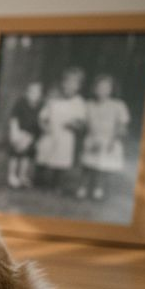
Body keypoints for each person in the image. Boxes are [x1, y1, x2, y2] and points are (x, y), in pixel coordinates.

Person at [36, 66, 87, 195]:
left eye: (74, 83)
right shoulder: (53, 99)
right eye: (67, 82)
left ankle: (56, 185)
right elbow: (43, 116)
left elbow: (81, 122)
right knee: (45, 155)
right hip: (50, 132)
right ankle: (40, 182)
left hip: (66, 135)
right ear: (62, 83)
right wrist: (44, 126)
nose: (69, 85)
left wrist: (73, 124)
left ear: (78, 86)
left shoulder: (78, 102)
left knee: (61, 159)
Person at [79, 73, 130, 200]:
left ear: (111, 89)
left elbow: (122, 125)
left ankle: (98, 189)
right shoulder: (88, 104)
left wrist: (114, 140)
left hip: (109, 139)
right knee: (88, 165)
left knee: (103, 167)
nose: (102, 90)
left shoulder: (118, 105)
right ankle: (82, 188)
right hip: (92, 138)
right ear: (94, 89)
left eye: (106, 87)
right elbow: (83, 122)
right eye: (99, 87)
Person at [6, 81, 43, 189]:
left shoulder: (39, 107)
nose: (34, 94)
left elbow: (39, 121)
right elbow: (14, 119)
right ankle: (12, 176)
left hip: (30, 134)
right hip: (18, 132)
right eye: (31, 91)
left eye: (37, 92)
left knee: (26, 156)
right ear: (27, 92)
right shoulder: (20, 103)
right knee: (15, 154)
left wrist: (33, 136)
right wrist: (15, 134)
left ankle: (22, 176)